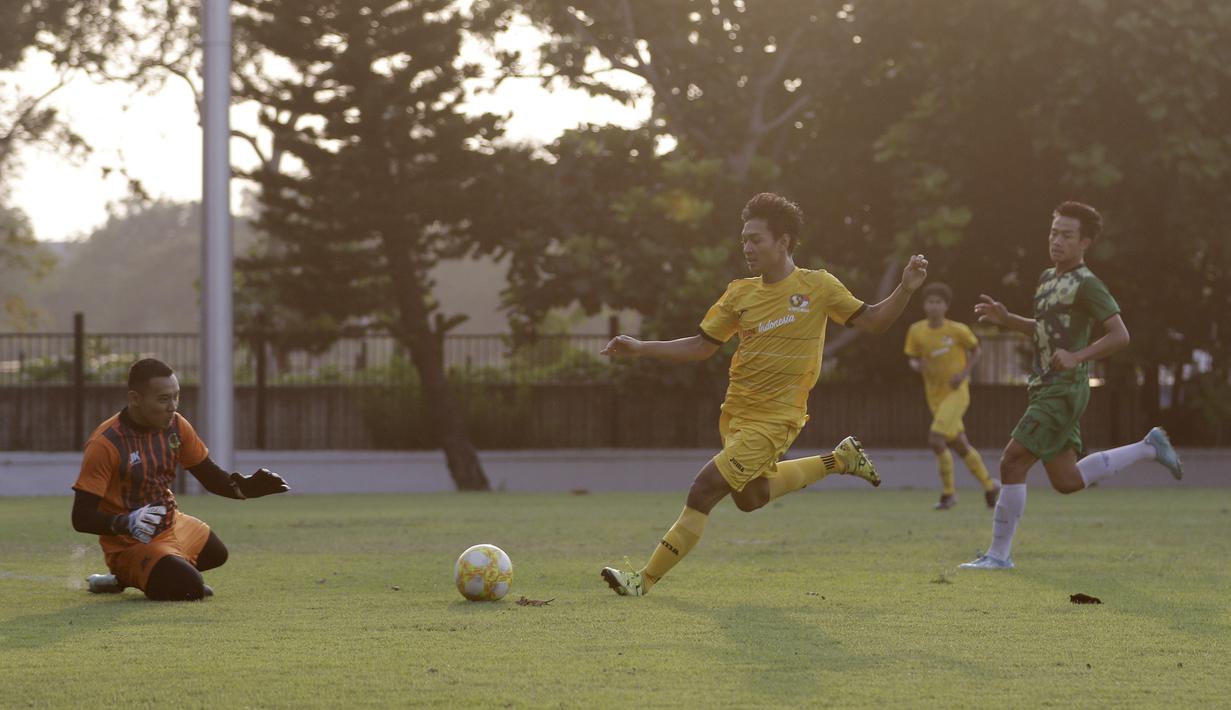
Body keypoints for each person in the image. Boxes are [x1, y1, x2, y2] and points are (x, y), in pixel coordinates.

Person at [599, 192, 928, 596]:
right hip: (737, 415)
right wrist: (641, 348)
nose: (748, 248)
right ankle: (840, 460)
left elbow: (875, 321)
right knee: (751, 498)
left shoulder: (818, 286)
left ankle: (642, 580)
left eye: (756, 239)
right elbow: (702, 345)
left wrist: (906, 289)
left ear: (784, 241)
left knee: (704, 489)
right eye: (744, 240)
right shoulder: (739, 293)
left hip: (777, 420)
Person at [959, 201, 1182, 570]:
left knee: (1012, 460)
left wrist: (1078, 357)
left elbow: (1120, 335)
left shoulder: (1088, 285)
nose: (1056, 240)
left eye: (1066, 235)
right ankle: (1147, 448)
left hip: (1064, 388)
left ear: (1085, 243)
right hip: (1046, 386)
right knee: (1066, 480)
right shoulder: (1048, 278)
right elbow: (1044, 330)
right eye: (1053, 232)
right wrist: (1007, 318)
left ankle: (999, 556)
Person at [71, 358, 290, 600]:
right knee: (190, 588)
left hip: (171, 523)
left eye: (176, 396)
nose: (172, 406)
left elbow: (208, 475)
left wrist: (245, 489)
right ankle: (134, 570)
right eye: (164, 399)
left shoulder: (176, 426)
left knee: (217, 554)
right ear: (135, 399)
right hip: (131, 542)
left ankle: (129, 578)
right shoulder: (105, 444)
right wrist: (126, 522)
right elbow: (81, 517)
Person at [904, 282, 999, 510]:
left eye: (939, 302)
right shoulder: (916, 331)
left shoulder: (957, 330)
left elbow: (976, 349)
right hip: (934, 395)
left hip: (957, 393)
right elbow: (912, 358)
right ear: (924, 305)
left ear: (946, 306)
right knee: (959, 444)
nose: (934, 306)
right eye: (930, 302)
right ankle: (989, 485)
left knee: (936, 439)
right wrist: (917, 365)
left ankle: (948, 494)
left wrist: (964, 373)